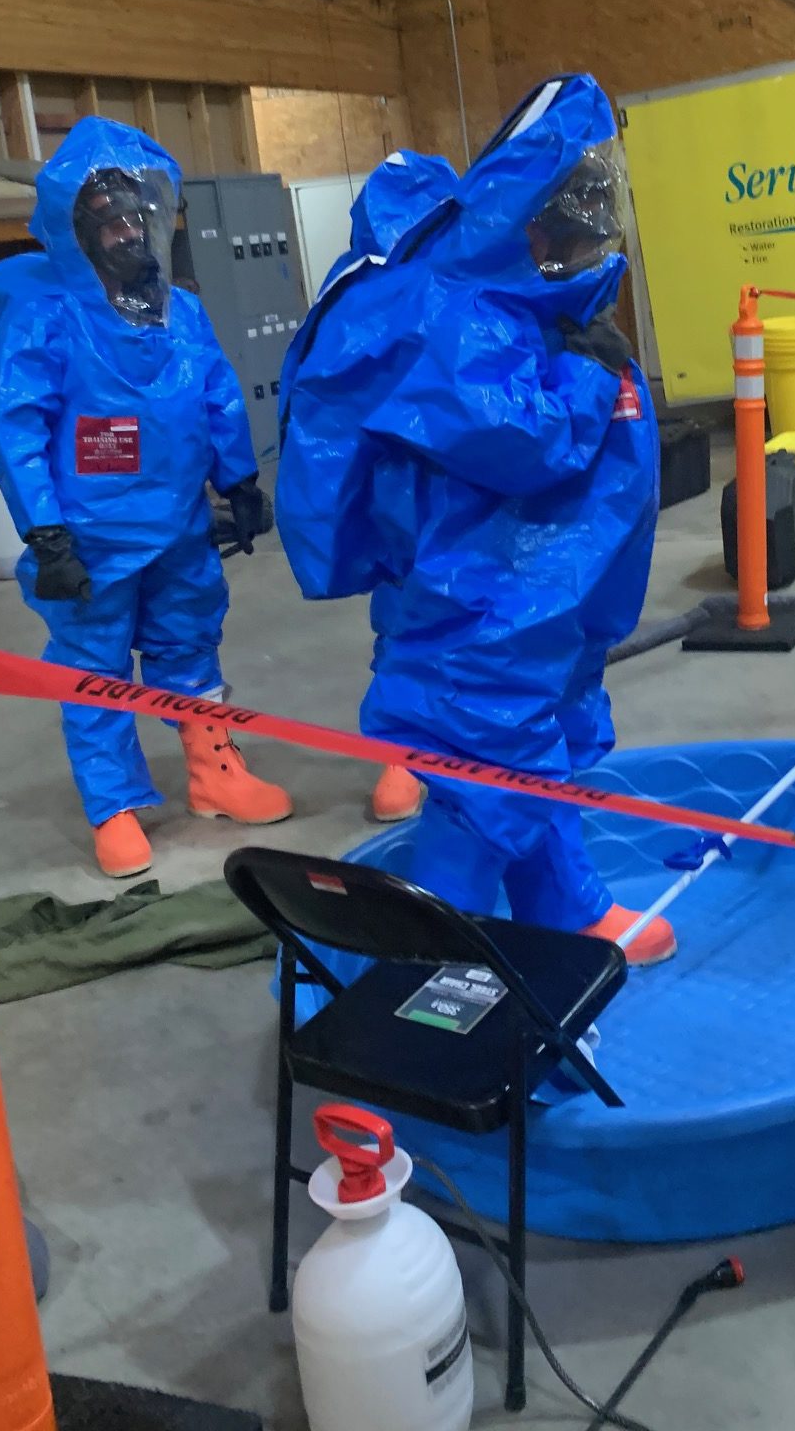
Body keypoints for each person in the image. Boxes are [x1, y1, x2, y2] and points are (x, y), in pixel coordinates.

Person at [277, 75, 674, 963]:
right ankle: (424, 971)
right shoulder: (458, 313)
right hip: (481, 606)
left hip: (537, 599)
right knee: (490, 783)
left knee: (534, 757)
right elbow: (522, 440)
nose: (587, 234)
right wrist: (589, 376)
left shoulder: (530, 307)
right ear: (524, 215)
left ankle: (567, 909)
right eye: (570, 212)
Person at [0, 118, 291, 879]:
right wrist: (45, 534)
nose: (128, 234)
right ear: (77, 232)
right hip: (90, 535)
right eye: (109, 222)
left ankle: (214, 773)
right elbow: (17, 429)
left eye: (136, 217)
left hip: (178, 524)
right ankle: (112, 806)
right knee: (94, 665)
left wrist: (240, 480)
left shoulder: (181, 311)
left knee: (190, 642)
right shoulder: (46, 319)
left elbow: (217, 393)